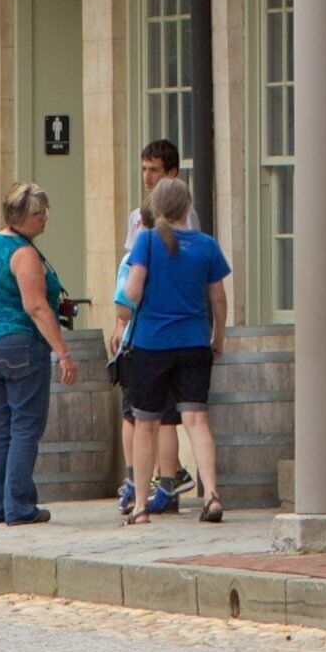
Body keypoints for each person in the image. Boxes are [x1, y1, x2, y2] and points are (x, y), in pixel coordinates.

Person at [111, 176, 231, 524]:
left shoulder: (147, 241)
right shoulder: (207, 245)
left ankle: (141, 507)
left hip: (153, 343)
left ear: (155, 207)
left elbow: (132, 292)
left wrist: (121, 317)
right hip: (194, 341)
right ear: (188, 206)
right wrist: (217, 337)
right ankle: (211, 495)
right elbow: (219, 299)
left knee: (146, 423)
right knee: (196, 420)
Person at [0, 181, 79, 526]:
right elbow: (36, 307)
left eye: (46, 210)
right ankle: (19, 505)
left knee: (1, 427)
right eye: (37, 213)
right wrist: (62, 352)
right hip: (19, 345)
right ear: (18, 217)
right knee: (25, 427)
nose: (45, 217)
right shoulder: (25, 254)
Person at [119, 140, 186, 513]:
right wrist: (121, 320)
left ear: (172, 172)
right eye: (143, 168)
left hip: (168, 327)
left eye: (154, 170)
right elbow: (130, 270)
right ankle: (144, 483)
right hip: (145, 328)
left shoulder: (184, 219)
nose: (147, 176)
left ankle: (167, 485)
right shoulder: (137, 217)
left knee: (166, 417)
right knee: (143, 414)